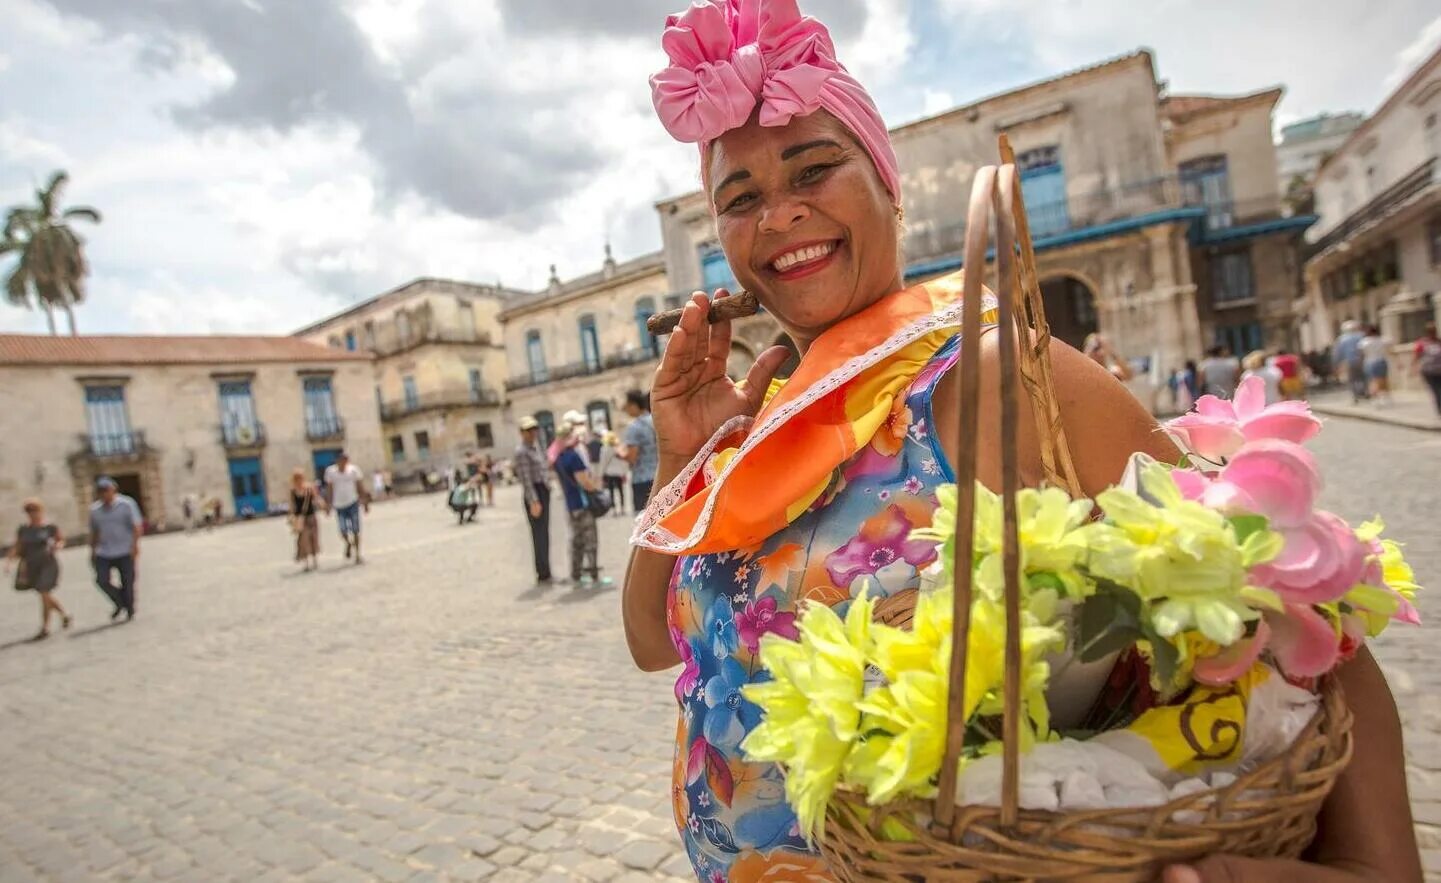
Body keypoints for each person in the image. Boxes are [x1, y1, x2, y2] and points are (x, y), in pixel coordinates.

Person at [626, 3, 1420, 880]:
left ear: (888, 185)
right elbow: (658, 643)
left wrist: (1374, 869)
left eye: (814, 169)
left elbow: (1295, 605)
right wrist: (683, 458)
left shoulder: (994, 376)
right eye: (740, 202)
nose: (777, 216)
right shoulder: (766, 410)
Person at [553, 422, 611, 588]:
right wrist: (597, 489)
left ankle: (576, 575)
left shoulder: (558, 458)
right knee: (590, 541)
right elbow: (584, 481)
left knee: (576, 541)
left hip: (571, 505)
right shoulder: (574, 456)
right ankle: (594, 576)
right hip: (583, 504)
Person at [5, 499, 70, 639]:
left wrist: (58, 546)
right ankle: (63, 615)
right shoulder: (24, 529)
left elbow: (61, 540)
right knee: (43, 595)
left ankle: (45, 627)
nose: (32, 515)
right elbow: (18, 546)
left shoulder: (49, 527)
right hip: (31, 565)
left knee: (44, 592)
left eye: (35, 511)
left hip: (48, 564)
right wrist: (9, 561)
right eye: (29, 512)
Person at [89, 476, 141, 621]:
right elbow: (94, 531)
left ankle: (130, 609)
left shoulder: (127, 504)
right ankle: (120, 601)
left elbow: (136, 526)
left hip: (125, 549)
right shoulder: (95, 510)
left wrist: (135, 546)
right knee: (101, 580)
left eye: (106, 490)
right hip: (105, 551)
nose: (104, 494)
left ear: (113, 489)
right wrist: (92, 550)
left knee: (128, 581)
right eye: (101, 491)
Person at [515, 416, 553, 584]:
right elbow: (526, 480)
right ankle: (542, 571)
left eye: (534, 429)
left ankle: (546, 568)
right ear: (522, 433)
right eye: (528, 430)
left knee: (544, 532)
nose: (532, 433)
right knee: (538, 534)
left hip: (543, 489)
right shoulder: (522, 452)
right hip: (535, 493)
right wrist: (533, 501)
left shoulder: (535, 448)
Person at [322, 451, 369, 564]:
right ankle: (348, 543)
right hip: (339, 505)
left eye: (345, 460)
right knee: (343, 530)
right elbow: (329, 489)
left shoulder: (354, 470)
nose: (343, 462)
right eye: (341, 460)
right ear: (337, 461)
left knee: (356, 529)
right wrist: (328, 504)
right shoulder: (330, 472)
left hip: (353, 502)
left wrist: (365, 502)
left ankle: (357, 555)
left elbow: (360, 486)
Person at [619, 389, 658, 512]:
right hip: (659, 473)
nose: (626, 409)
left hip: (642, 478)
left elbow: (632, 457)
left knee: (644, 520)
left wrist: (618, 452)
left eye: (627, 406)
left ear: (634, 405)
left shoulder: (634, 427)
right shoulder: (655, 419)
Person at [290, 468, 324, 572]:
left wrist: (322, 504)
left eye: (300, 478)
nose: (299, 480)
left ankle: (314, 560)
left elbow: (316, 498)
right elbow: (292, 505)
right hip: (300, 518)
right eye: (297, 478)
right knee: (303, 540)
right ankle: (306, 563)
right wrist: (291, 517)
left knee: (313, 538)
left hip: (311, 516)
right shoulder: (293, 491)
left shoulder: (309, 488)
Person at [1332, 319, 1368, 403]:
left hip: (1349, 361)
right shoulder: (1361, 336)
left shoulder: (1342, 339)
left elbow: (1338, 352)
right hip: (1362, 360)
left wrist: (1336, 364)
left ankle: (1355, 396)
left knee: (1352, 379)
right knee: (1363, 377)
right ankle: (1365, 392)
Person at [1413, 321, 1441, 415]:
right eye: (1431, 331)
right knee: (1436, 390)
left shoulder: (1439, 342)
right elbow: (1416, 356)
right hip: (1428, 371)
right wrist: (1414, 367)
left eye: (1433, 331)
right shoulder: (1422, 343)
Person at [1359, 323, 1392, 404]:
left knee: (1373, 381)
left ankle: (1375, 398)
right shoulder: (1382, 340)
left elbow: (1361, 354)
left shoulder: (1364, 342)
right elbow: (1390, 347)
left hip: (1369, 362)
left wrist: (1361, 364)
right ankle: (1385, 398)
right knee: (1383, 380)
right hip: (1381, 361)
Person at [599, 431, 629, 515]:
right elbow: (623, 462)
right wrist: (624, 473)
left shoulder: (604, 449)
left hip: (609, 473)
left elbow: (603, 462)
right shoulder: (618, 448)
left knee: (611, 491)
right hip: (619, 473)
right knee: (621, 491)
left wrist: (601, 474)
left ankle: (614, 509)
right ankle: (623, 508)